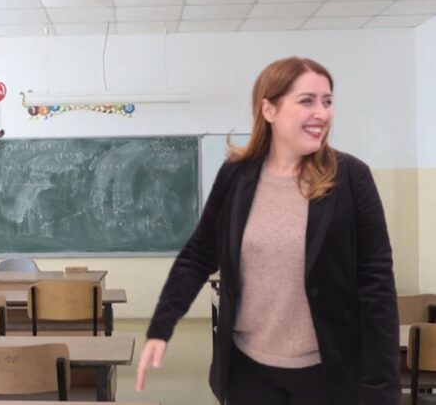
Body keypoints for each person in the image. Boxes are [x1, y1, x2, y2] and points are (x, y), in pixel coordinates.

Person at [136, 57, 400, 405]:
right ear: (269, 110)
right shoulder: (235, 176)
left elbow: (376, 284)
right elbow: (199, 254)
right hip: (248, 373)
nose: (322, 113)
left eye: (327, 101)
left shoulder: (352, 177)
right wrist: (161, 325)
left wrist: (382, 390)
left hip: (328, 373)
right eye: (307, 101)